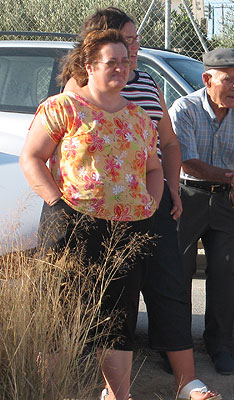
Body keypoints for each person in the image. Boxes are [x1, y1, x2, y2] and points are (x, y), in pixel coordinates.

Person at [63, 8, 220, 400]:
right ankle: (111, 389)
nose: (134, 49)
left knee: (169, 283)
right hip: (100, 209)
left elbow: (168, 142)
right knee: (111, 296)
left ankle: (187, 381)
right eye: (127, 41)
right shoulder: (77, 88)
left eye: (135, 41)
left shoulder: (148, 82)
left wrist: (170, 189)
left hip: (152, 202)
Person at [20, 29, 164, 400]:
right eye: (111, 62)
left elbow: (153, 168)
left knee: (118, 321)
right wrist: (57, 205)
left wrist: (151, 204)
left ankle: (118, 395)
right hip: (70, 225)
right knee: (60, 318)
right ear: (89, 66)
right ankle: (50, 393)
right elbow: (31, 158)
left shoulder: (139, 117)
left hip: (128, 232)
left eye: (126, 61)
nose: (121, 68)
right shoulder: (63, 108)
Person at [169, 48, 234, 375]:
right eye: (229, 80)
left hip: (232, 200)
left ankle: (222, 346)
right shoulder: (184, 109)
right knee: (177, 270)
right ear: (207, 79)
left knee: (227, 270)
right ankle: (174, 345)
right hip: (188, 196)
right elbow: (189, 163)